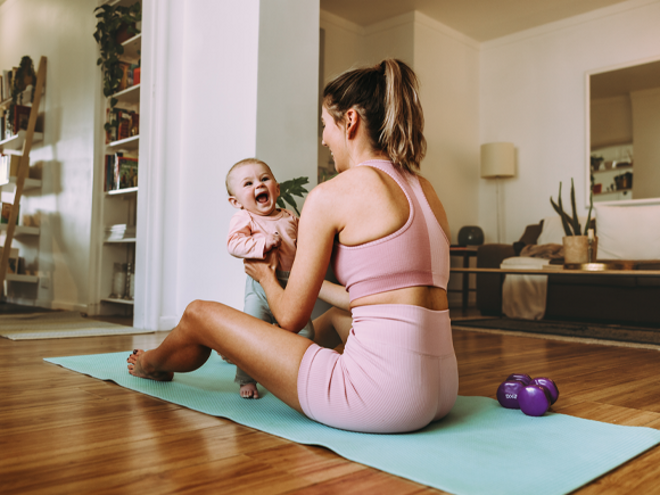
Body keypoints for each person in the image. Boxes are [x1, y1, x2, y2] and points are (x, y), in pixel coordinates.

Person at [127, 58, 458, 434]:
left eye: (324, 125)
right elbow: (371, 297)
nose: (323, 140)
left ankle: (151, 364)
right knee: (334, 319)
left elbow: (289, 318)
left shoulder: (332, 194)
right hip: (441, 388)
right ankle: (244, 348)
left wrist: (265, 276)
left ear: (349, 121)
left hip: (381, 400)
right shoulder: (425, 190)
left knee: (199, 313)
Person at [224, 158, 315, 399]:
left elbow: (306, 243)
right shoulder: (246, 218)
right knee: (251, 334)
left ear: (277, 188)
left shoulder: (289, 217)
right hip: (259, 289)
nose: (259, 185)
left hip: (291, 285)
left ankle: (290, 373)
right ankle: (246, 378)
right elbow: (233, 244)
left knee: (305, 333)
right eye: (248, 183)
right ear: (236, 202)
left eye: (265, 179)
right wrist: (261, 243)